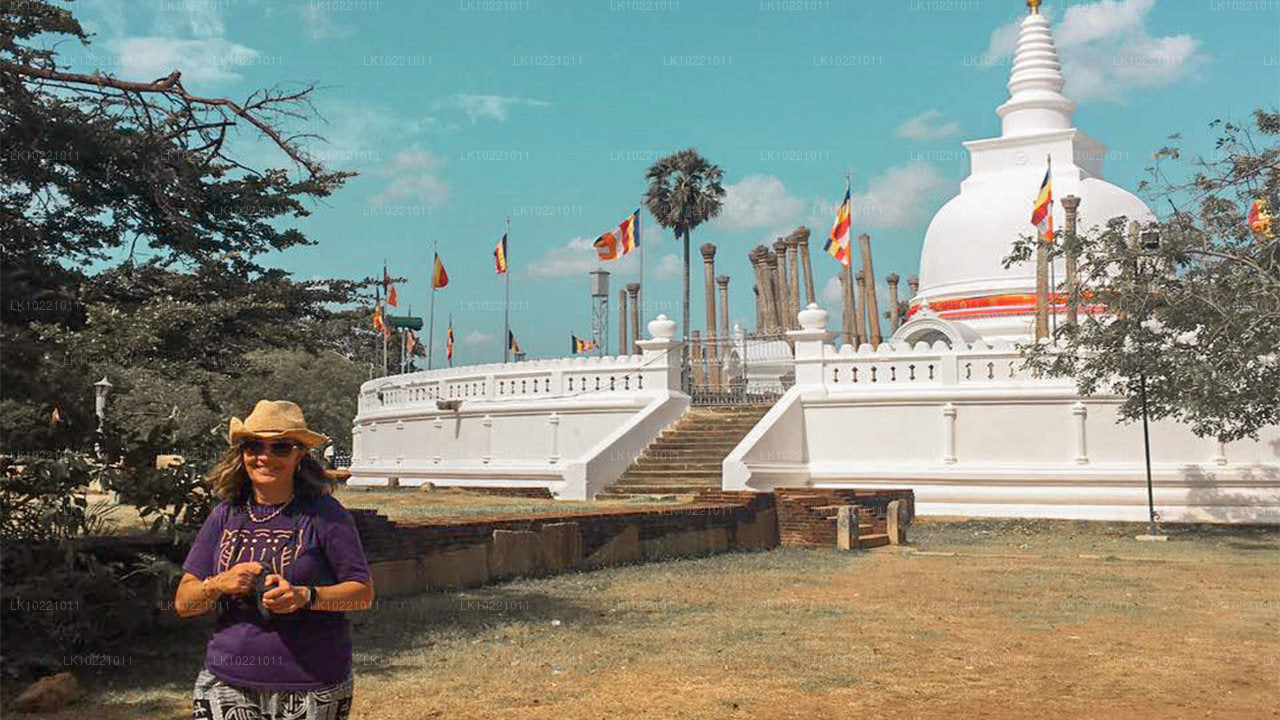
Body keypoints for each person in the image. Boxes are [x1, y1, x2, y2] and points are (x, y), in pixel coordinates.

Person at [174, 400, 375, 719]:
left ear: (299, 455)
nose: (264, 457)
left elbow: (361, 594)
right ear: (242, 453)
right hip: (226, 681)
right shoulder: (226, 515)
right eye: (253, 446)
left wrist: (304, 596)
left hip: (313, 683)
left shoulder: (326, 515)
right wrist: (218, 584)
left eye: (280, 447)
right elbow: (184, 603)